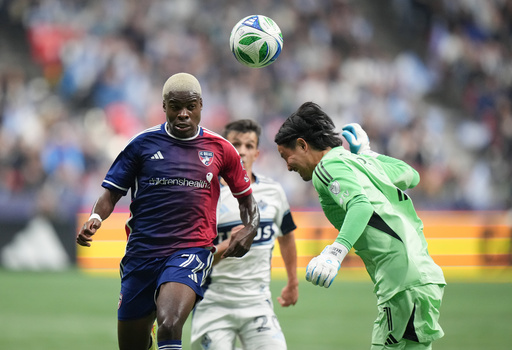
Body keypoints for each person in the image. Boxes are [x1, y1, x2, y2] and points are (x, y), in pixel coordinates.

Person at [76, 73, 260, 350]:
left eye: (190, 107)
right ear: (164, 106)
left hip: (191, 250)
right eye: (176, 106)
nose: (183, 114)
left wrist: (250, 228)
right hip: (142, 254)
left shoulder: (221, 149)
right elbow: (111, 193)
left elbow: (247, 201)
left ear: (201, 105)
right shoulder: (141, 144)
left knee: (170, 322)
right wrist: (95, 218)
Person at [274, 101, 446, 349]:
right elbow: (411, 175)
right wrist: (368, 154)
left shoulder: (327, 166)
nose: (287, 165)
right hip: (422, 276)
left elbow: (361, 205)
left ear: (302, 144)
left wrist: (335, 252)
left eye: (285, 156)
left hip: (400, 280)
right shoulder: (358, 162)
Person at [190, 119, 299, 350]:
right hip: (213, 304)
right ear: (223, 150)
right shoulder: (204, 197)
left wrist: (292, 281)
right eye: (235, 144)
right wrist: (229, 244)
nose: (242, 151)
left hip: (258, 303)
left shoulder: (273, 192)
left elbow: (286, 235)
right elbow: (193, 258)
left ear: (257, 153)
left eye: (249, 145)